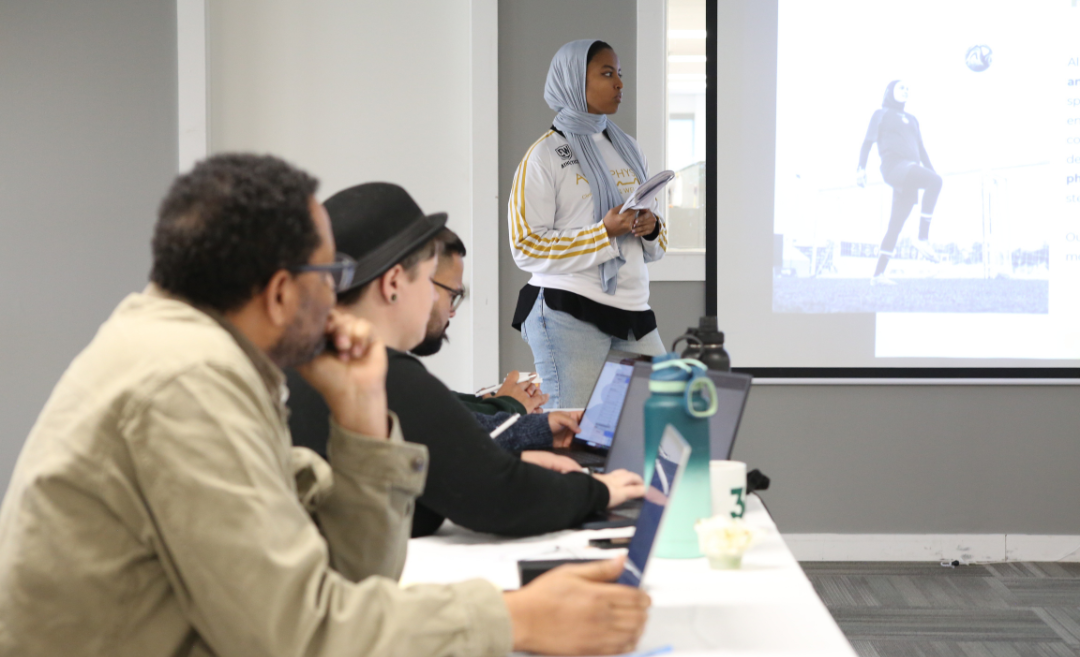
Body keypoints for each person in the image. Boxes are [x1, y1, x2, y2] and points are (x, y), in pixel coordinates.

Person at [0, 154, 650, 656]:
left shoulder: (197, 356)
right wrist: (515, 617)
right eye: (331, 276)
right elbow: (296, 636)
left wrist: (362, 419)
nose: (340, 297)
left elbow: (350, 578)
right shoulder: (184, 384)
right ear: (283, 293)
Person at [288, 182, 645, 538]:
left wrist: (507, 463)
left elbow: (440, 469)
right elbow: (496, 498)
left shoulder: (306, 361)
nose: (437, 301)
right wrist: (600, 490)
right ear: (393, 283)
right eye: (429, 281)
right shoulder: (380, 376)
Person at [508, 39, 668, 410]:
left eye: (620, 74)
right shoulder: (544, 155)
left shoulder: (630, 148)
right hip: (568, 309)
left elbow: (657, 248)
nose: (619, 84)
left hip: (632, 308)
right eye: (607, 74)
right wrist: (603, 232)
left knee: (658, 416)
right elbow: (525, 246)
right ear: (572, 81)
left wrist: (651, 228)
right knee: (572, 429)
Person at [412, 227, 583, 472]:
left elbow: (441, 406)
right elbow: (453, 435)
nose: (452, 311)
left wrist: (489, 403)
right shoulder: (383, 372)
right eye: (452, 294)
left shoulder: (398, 372)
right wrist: (507, 406)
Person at [857, 79, 944, 285]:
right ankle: (922, 238)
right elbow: (867, 142)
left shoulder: (913, 119)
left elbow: (922, 150)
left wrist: (931, 173)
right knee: (935, 181)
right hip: (894, 167)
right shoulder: (881, 114)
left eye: (907, 88)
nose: (905, 90)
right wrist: (861, 168)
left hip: (910, 172)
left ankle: (878, 275)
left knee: (895, 224)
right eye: (901, 87)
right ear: (890, 91)